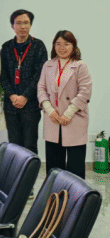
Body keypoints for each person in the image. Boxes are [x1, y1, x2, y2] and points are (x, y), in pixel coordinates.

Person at [38, 30, 92, 179]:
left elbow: (85, 92)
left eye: (66, 44)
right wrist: (49, 110)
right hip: (53, 119)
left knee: (75, 166)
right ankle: (55, 192)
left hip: (73, 118)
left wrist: (68, 113)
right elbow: (41, 88)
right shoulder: (48, 65)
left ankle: (75, 194)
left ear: (73, 46)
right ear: (54, 46)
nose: (62, 48)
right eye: (58, 44)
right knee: (54, 167)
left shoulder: (80, 66)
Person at [0, 9, 48, 157]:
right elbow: (2, 75)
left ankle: (30, 172)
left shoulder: (38, 46)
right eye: (18, 23)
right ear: (12, 26)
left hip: (31, 105)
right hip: (11, 105)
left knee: (30, 144)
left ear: (30, 25)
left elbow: (40, 75)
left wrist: (25, 96)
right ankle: (16, 172)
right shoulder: (6, 47)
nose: (23, 26)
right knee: (14, 145)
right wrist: (12, 95)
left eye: (26, 23)